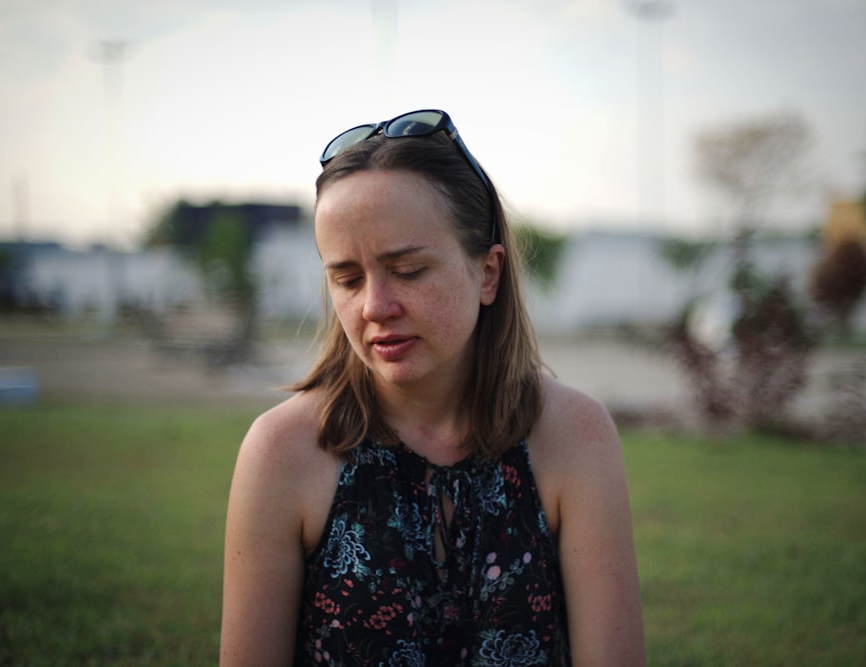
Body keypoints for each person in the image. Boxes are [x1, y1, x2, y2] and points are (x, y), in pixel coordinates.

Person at [220, 109, 645, 666]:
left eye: (409, 270)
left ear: (488, 273)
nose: (374, 306)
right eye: (346, 278)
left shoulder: (575, 436)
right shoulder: (282, 452)